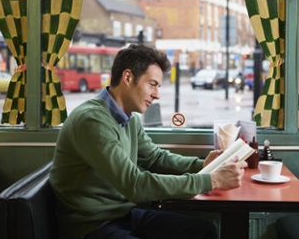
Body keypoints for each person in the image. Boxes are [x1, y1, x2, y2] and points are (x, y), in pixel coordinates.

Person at [49, 43, 247, 239]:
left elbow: (154, 158)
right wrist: (210, 180)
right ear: (128, 77)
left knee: (205, 230)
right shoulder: (91, 120)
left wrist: (202, 165)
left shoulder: (129, 117)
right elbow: (134, 184)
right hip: (92, 225)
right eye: (152, 84)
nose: (157, 94)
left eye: (158, 87)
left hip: (124, 214)